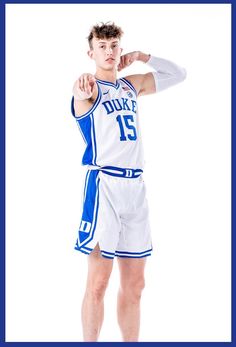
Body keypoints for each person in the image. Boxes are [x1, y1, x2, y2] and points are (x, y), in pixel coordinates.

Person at [71, 22, 186, 342]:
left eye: (114, 45)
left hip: (136, 189)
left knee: (135, 286)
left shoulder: (130, 86)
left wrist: (143, 56)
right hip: (105, 184)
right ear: (90, 52)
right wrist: (81, 91)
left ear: (120, 49)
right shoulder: (88, 87)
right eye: (102, 46)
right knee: (98, 283)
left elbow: (179, 74)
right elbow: (80, 97)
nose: (108, 51)